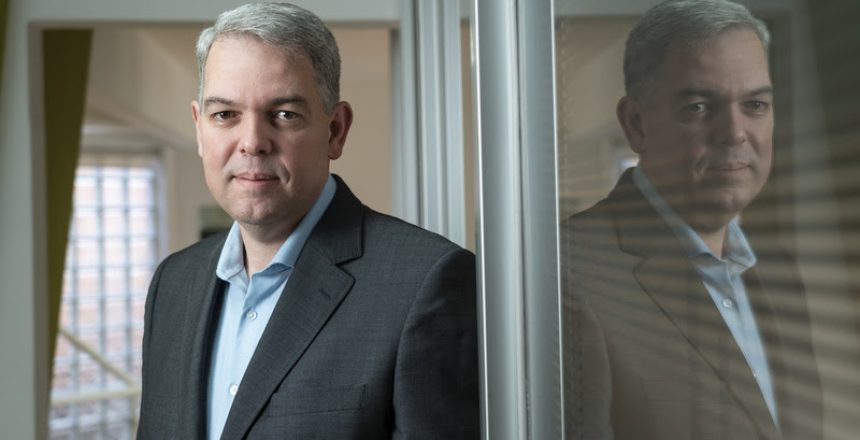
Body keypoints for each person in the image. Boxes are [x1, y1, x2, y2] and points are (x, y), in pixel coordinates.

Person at [136, 3, 478, 439]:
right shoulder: (174, 283)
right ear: (200, 128)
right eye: (225, 115)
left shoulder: (426, 284)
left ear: (335, 130)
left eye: (284, 115)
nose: (253, 143)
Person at [562, 1, 821, 439]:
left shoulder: (776, 270)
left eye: (755, 104)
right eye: (700, 107)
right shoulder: (571, 271)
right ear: (636, 124)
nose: (735, 132)